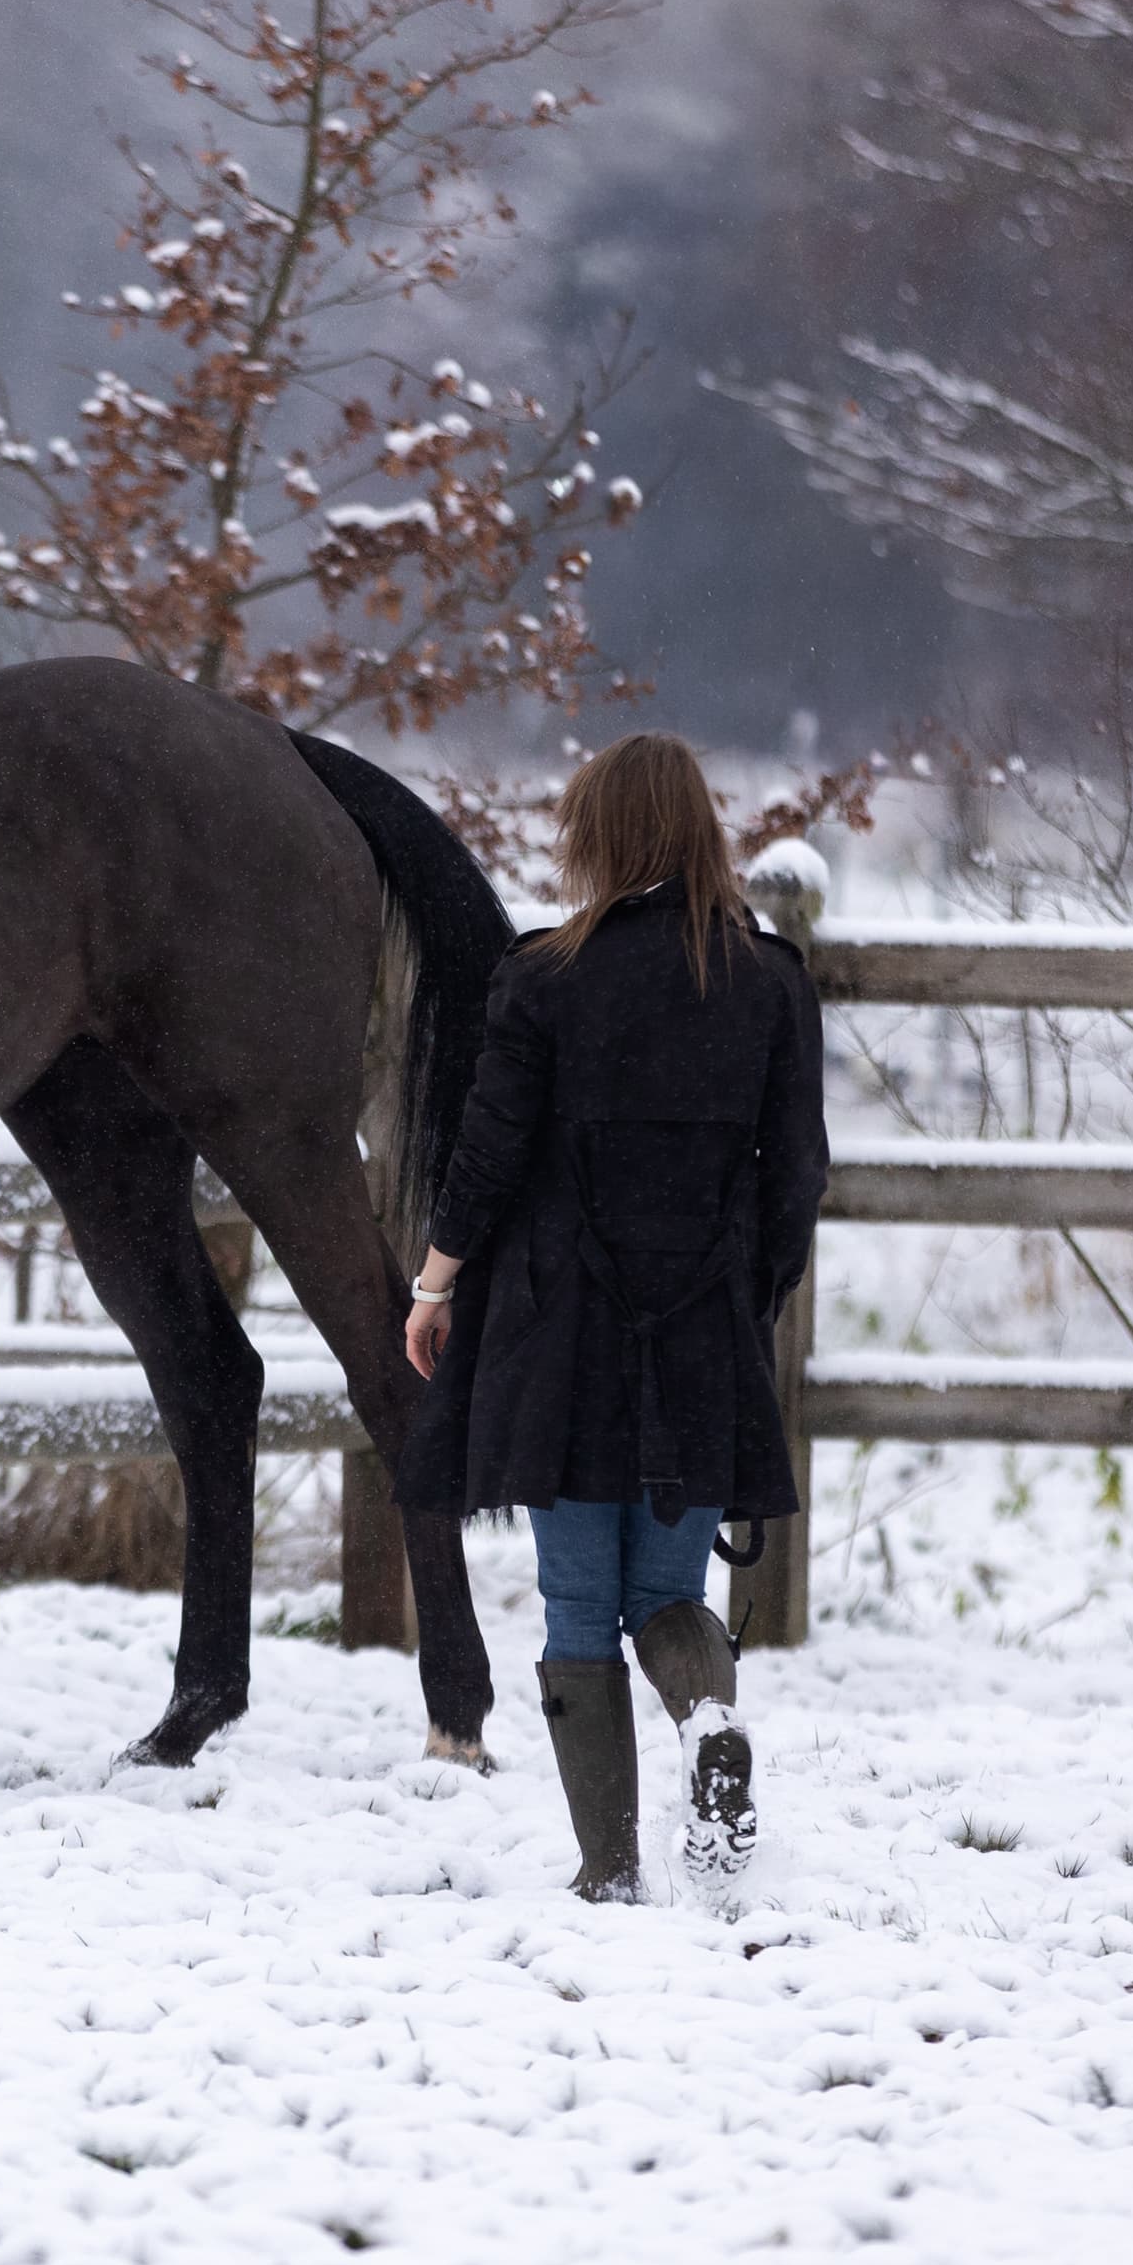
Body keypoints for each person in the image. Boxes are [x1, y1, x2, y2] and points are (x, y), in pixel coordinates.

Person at [395, 734, 827, 1900]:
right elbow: (797, 1178)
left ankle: (611, 1870)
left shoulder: (544, 978)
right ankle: (708, 1721)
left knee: (580, 1600)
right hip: (700, 1327)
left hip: (562, 1330)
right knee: (670, 1597)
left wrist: (434, 1285)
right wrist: (750, 1300)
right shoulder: (771, 979)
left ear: (602, 839)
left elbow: (485, 1157)